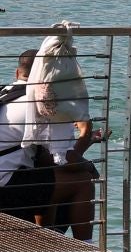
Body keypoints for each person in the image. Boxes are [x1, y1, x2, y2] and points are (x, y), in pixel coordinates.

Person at [0, 49, 93, 232]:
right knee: (83, 180)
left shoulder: (5, 93)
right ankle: (90, 251)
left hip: (7, 178)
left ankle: (45, 235)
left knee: (45, 172)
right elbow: (65, 161)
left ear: (17, 73)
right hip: (4, 189)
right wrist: (85, 135)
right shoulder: (42, 104)